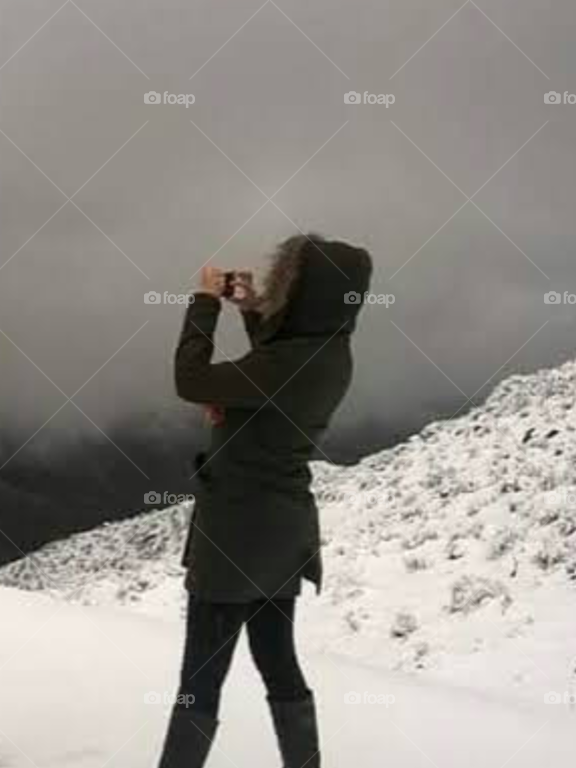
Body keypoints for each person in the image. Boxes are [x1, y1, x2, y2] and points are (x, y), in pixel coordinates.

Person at [157, 234, 372, 768]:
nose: (281, 293)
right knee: (277, 660)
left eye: (287, 287)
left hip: (234, 533)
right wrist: (252, 310)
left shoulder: (296, 362)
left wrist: (205, 302)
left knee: (200, 676)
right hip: (281, 537)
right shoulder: (328, 352)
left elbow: (191, 379)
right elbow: (272, 370)